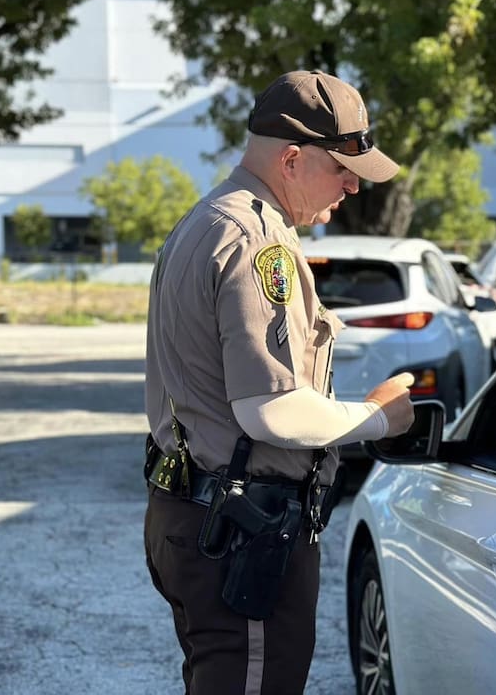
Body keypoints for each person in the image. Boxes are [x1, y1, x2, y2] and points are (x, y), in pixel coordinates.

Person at [142, 70, 417, 694]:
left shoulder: (207, 219)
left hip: (200, 513)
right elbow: (271, 410)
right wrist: (378, 416)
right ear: (291, 159)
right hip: (243, 528)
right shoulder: (257, 240)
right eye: (342, 168)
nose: (353, 186)